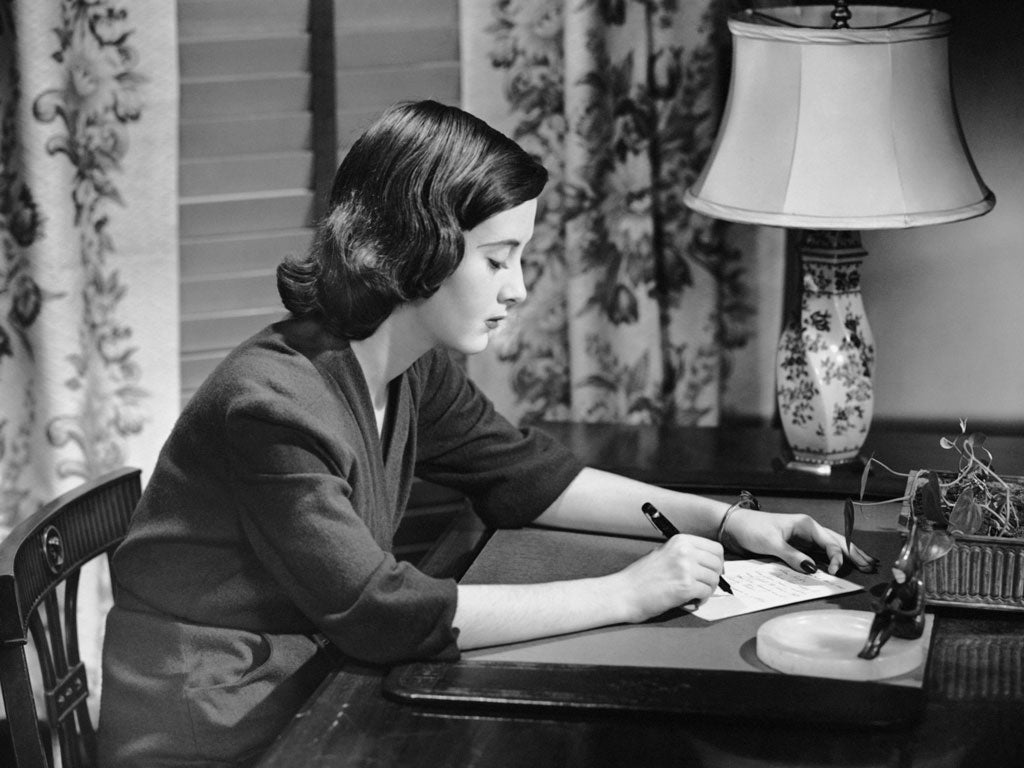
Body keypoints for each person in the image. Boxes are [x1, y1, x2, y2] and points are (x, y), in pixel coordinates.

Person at [97, 100, 876, 767]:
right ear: (419, 246)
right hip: (217, 721)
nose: (520, 288)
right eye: (500, 259)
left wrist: (735, 521)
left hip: (301, 676)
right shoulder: (272, 408)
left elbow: (529, 474)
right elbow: (380, 613)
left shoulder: (405, 365)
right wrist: (628, 593)